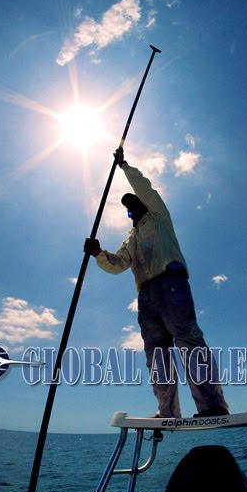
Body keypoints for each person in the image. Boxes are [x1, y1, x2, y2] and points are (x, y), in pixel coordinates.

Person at [84, 148, 228, 419]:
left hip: (171, 282)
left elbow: (144, 187)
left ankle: (212, 405)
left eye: (134, 205)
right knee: (156, 353)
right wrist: (98, 253)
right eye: (128, 210)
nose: (131, 211)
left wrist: (124, 166)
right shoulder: (131, 240)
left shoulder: (159, 216)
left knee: (187, 339)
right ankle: (167, 410)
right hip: (146, 295)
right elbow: (118, 264)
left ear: (145, 204)